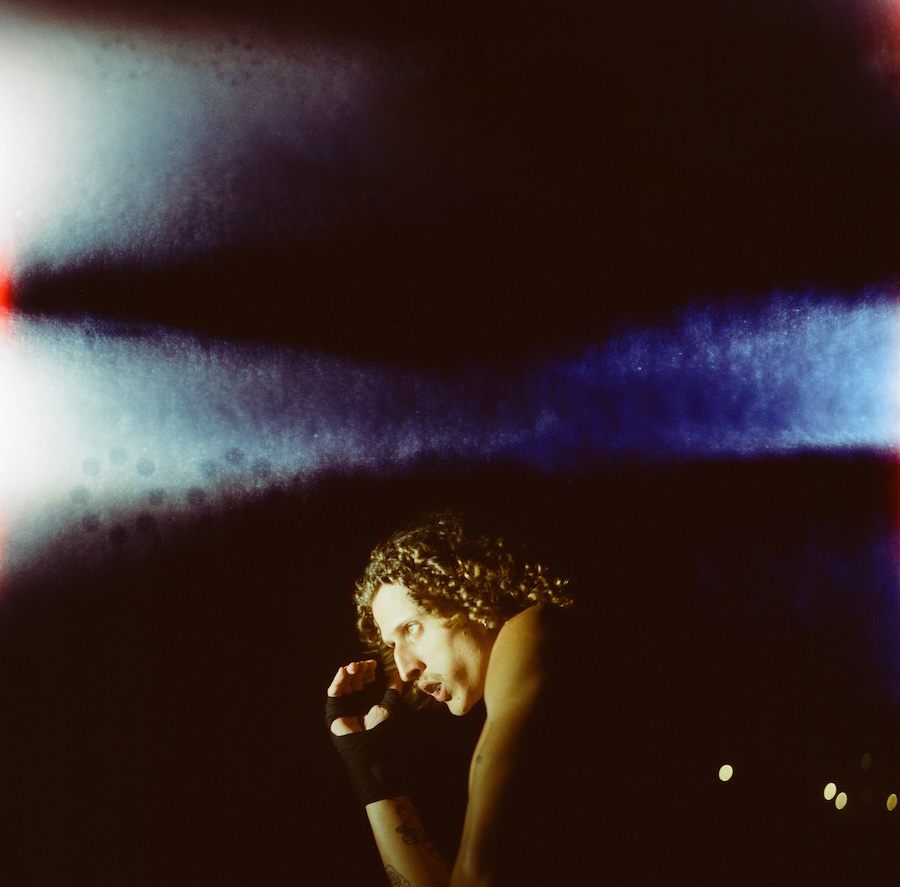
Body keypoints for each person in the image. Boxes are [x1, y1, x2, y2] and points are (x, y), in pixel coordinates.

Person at [324, 510, 597, 886]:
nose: (405, 669)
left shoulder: (531, 628)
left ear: (474, 597)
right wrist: (368, 768)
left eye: (412, 628)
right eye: (392, 645)